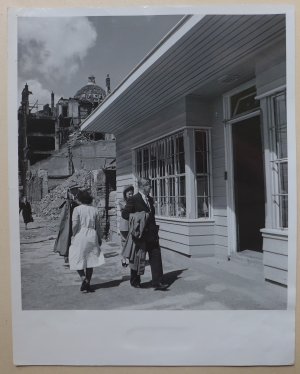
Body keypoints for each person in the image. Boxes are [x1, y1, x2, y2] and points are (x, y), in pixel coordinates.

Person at [122, 177, 169, 291]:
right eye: (148, 185)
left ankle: (157, 282)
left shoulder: (150, 199)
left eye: (150, 184)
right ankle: (135, 281)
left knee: (156, 256)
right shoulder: (133, 199)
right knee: (138, 258)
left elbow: (151, 217)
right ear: (142, 186)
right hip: (140, 234)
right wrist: (138, 217)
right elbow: (125, 214)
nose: (150, 187)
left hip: (152, 234)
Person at [68, 190, 105, 293]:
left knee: (76, 257)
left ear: (80, 199)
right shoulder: (94, 210)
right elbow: (98, 226)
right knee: (90, 259)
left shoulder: (77, 209)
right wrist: (99, 237)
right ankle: (88, 283)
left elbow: (75, 225)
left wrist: (73, 235)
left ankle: (83, 278)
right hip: (92, 234)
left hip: (81, 234)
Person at [53, 186, 79, 266]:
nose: (76, 190)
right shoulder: (66, 201)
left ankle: (71, 255)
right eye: (74, 189)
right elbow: (62, 213)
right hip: (67, 223)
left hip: (74, 222)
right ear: (70, 191)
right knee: (66, 239)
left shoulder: (75, 199)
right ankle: (66, 256)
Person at [119, 185, 134, 267]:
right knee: (124, 242)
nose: (131, 195)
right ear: (125, 194)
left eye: (132, 194)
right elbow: (127, 209)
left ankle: (130, 258)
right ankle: (124, 258)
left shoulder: (133, 201)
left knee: (132, 242)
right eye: (129, 194)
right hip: (124, 224)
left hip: (132, 224)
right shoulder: (121, 201)